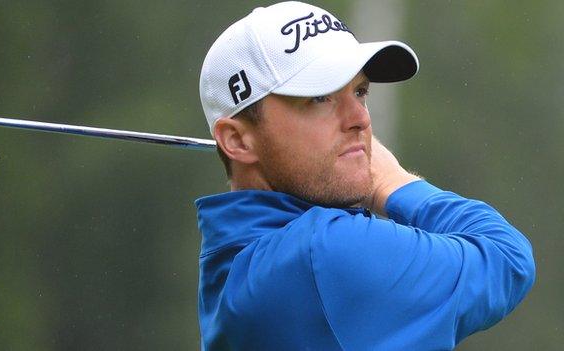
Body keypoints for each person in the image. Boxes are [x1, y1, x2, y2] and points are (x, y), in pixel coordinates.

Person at [195, 2, 535, 350]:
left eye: (360, 92)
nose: (360, 119)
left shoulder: (230, 265)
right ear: (237, 140)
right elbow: (507, 257)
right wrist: (393, 182)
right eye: (319, 98)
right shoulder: (323, 253)